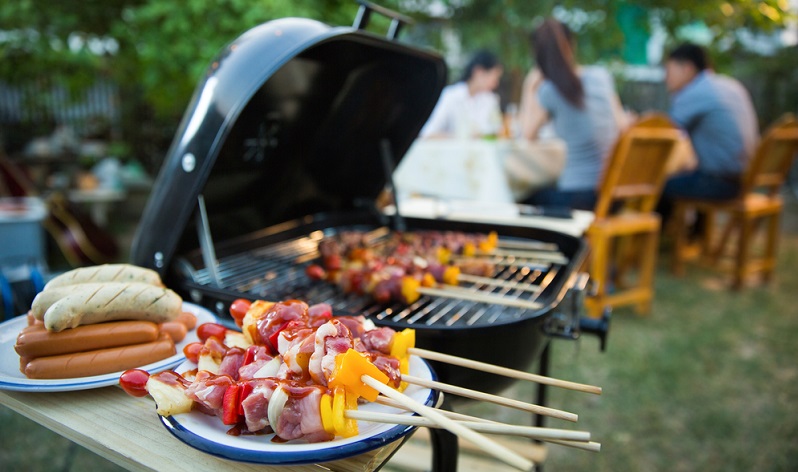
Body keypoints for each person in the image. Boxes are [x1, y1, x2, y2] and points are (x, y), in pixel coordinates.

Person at [517, 18, 629, 211]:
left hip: (579, 198)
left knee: (521, 197)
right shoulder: (601, 77)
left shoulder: (549, 90)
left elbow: (525, 137)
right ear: (572, 45)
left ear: (538, 56)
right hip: (613, 196)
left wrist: (529, 86)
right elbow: (623, 127)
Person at [659, 42, 759, 211]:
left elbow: (662, 134)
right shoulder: (730, 85)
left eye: (668, 71)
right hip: (745, 180)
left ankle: (663, 236)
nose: (665, 78)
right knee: (688, 174)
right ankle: (693, 234)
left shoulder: (695, 91)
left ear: (687, 68)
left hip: (721, 183)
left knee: (656, 186)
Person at [420, 50, 504, 139]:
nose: (496, 83)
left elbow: (497, 131)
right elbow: (427, 133)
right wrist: (460, 137)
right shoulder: (451, 95)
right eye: (494, 77)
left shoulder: (490, 99)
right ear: (478, 72)